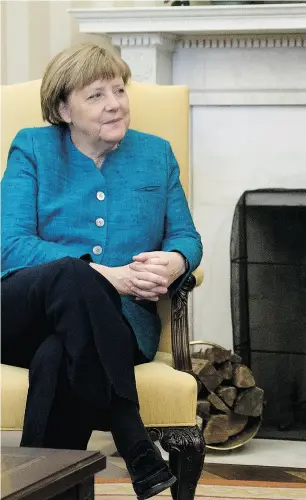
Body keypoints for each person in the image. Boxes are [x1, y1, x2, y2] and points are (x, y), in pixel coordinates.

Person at [1, 43, 203, 500]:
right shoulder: (32, 148)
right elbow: (10, 247)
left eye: (119, 89)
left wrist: (177, 261)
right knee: (72, 273)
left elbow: (187, 237)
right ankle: (135, 442)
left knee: (57, 358)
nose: (115, 103)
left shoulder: (156, 154)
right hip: (21, 314)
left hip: (121, 326)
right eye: (95, 95)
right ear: (62, 108)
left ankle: (39, 491)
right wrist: (107, 276)